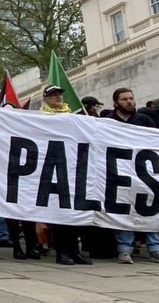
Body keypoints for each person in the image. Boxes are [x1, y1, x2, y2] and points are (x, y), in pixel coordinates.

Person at [107, 88, 159, 265]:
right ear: (115, 103)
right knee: (123, 211)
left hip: (144, 172)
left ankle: (156, 249)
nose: (129, 102)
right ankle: (124, 250)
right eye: (124, 99)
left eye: (131, 98)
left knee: (150, 209)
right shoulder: (109, 122)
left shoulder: (144, 120)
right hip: (120, 173)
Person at [39, 85, 91, 266]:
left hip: (72, 167)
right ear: (45, 98)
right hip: (52, 168)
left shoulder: (73, 116)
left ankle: (74, 250)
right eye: (53, 95)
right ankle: (62, 251)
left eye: (59, 94)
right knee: (58, 213)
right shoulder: (39, 117)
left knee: (73, 212)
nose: (57, 97)